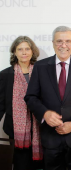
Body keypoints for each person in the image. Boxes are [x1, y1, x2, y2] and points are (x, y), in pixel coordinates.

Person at [24, 26, 71, 170]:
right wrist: (45, 113)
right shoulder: (40, 67)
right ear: (52, 43)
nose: (63, 45)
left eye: (68, 41)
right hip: (50, 138)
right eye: (59, 41)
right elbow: (31, 97)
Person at [0, 36, 43, 170]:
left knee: (39, 165)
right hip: (15, 128)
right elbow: (0, 102)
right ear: (14, 52)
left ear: (32, 51)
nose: (24, 52)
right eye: (20, 49)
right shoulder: (5, 74)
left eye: (27, 49)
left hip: (40, 127)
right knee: (21, 164)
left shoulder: (41, 72)